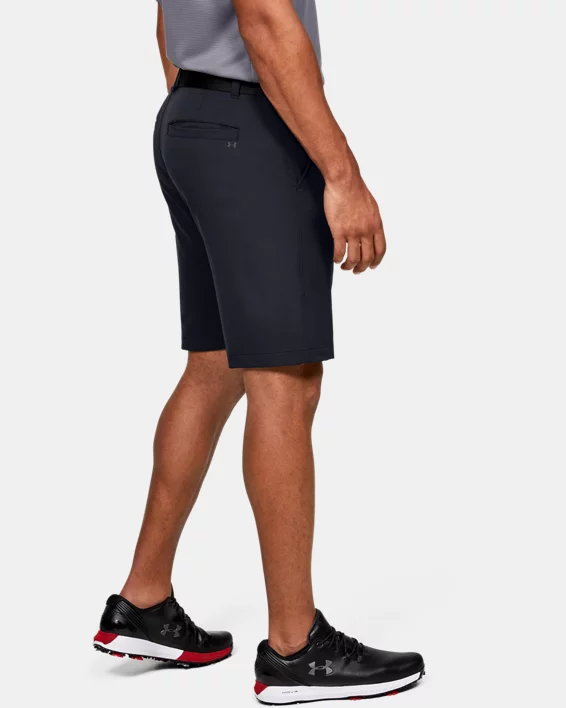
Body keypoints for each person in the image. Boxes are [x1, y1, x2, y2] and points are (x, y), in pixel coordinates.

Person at [93, 0, 424, 702]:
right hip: (250, 125)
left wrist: (202, 120)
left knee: (215, 365)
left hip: (190, 118)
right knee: (286, 377)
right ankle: (296, 647)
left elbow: (167, 24)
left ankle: (143, 601)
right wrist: (342, 175)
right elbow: (266, 20)